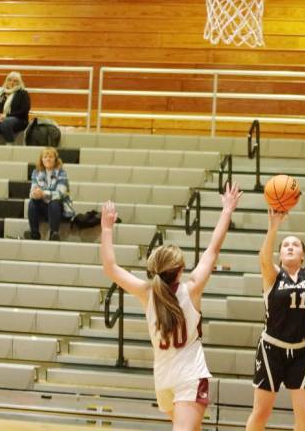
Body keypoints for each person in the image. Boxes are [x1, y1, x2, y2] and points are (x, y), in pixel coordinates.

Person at [100, 182, 242, 431]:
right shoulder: (192, 288)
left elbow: (111, 268)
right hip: (188, 376)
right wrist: (227, 210)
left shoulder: (146, 293)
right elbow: (213, 249)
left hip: (164, 379)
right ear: (180, 270)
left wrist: (106, 228)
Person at [246, 195, 305, 431]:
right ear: (280, 255)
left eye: (296, 245)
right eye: (285, 245)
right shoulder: (272, 276)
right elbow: (263, 258)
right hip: (272, 349)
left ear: (302, 255)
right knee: (262, 411)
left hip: (302, 351)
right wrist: (274, 228)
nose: (290, 247)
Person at [24, 147, 73, 241]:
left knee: (54, 202)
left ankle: (53, 234)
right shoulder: (36, 173)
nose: (48, 159)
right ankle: (34, 234)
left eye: (51, 157)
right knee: (32, 202)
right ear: (41, 160)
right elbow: (32, 192)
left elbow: (60, 193)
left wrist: (43, 194)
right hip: (44, 207)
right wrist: (35, 194)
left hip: (59, 208)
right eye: (45, 157)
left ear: (55, 159)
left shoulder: (62, 173)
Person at [0, 71, 30, 145]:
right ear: (6, 81)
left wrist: (6, 116)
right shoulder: (0, 94)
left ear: (19, 83)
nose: (12, 82)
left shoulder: (23, 93)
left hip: (18, 119)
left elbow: (24, 110)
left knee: (5, 123)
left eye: (15, 81)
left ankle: (10, 148)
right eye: (9, 80)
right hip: (0, 118)